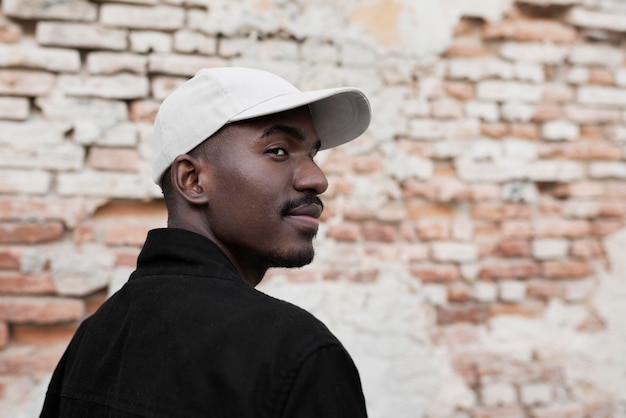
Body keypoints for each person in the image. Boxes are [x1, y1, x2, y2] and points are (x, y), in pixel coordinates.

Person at [40, 67, 371, 417]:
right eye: (278, 151)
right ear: (193, 179)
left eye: (312, 155)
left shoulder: (95, 337)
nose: (317, 180)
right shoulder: (296, 352)